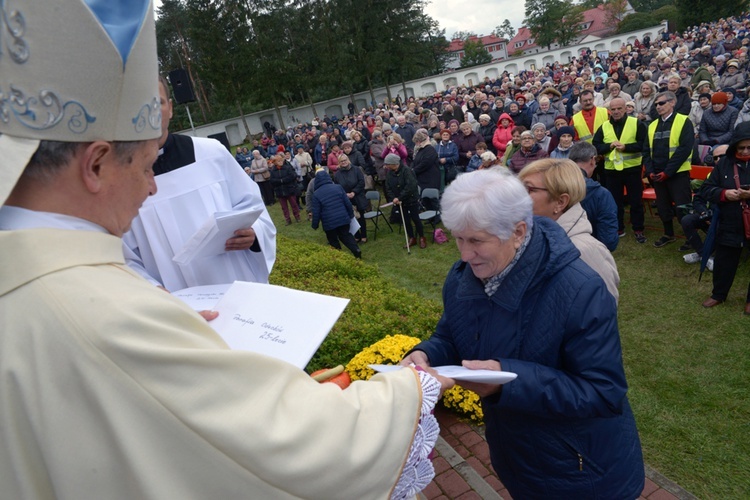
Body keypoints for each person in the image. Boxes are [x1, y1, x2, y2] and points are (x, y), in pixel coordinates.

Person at [0, 2, 453, 498]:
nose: (152, 188)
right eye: (147, 166)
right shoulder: (107, 314)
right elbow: (285, 443)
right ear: (97, 165)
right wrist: (411, 389)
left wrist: (255, 231)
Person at [400, 169, 644, 498]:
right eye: (459, 238)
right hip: (519, 459)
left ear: (517, 232)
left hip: (584, 472)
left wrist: (507, 380)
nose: (463, 254)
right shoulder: (464, 276)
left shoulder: (579, 289)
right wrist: (427, 353)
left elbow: (603, 392)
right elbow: (452, 334)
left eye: (476, 241)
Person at [124, 77, 277, 290]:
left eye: (156, 103)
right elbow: (123, 255)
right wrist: (152, 290)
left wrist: (254, 234)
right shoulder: (118, 177)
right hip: (175, 304)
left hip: (237, 285)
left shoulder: (211, 153)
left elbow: (254, 208)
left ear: (170, 108)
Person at [519, 159, 620, 301]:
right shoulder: (529, 236)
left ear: (560, 202)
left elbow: (602, 312)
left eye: (530, 189)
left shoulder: (585, 251)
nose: (518, 196)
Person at [698, 124, 750, 314]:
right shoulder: (724, 164)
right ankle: (718, 294)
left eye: (749, 147)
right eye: (741, 147)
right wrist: (725, 194)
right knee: (724, 260)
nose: (745, 151)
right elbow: (706, 189)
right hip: (730, 221)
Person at [643, 90, 695, 248]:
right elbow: (646, 150)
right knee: (663, 206)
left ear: (672, 103)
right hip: (658, 175)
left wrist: (668, 172)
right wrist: (650, 171)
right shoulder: (652, 125)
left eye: (662, 103)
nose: (658, 107)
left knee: (683, 207)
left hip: (677, 174)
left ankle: (691, 238)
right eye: (656, 104)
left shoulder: (684, 121)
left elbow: (684, 150)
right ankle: (668, 234)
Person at [593, 97, 648, 243]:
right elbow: (596, 146)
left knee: (635, 201)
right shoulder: (604, 126)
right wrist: (609, 146)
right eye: (613, 109)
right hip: (611, 171)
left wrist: (627, 148)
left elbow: (644, 144)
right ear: (609, 111)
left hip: (632, 169)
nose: (616, 112)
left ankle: (638, 229)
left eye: (619, 109)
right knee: (615, 202)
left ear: (625, 109)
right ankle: (618, 228)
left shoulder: (636, 123)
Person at [569, 142, 619, 252]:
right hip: (590, 254)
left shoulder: (551, 185)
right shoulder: (601, 194)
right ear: (592, 160)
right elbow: (608, 240)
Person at [311, 170, 362, 258]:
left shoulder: (316, 194)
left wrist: (315, 225)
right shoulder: (338, 187)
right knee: (346, 235)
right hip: (343, 218)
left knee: (333, 240)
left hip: (329, 222)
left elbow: (316, 212)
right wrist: (350, 215)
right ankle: (356, 250)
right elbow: (347, 203)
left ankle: (338, 257)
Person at [384, 153, 427, 248]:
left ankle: (422, 237)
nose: (386, 166)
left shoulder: (407, 171)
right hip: (399, 202)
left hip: (411, 199)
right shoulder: (389, 173)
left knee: (415, 219)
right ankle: (412, 238)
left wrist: (399, 197)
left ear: (394, 163)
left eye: (387, 164)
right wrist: (394, 199)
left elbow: (410, 186)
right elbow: (388, 187)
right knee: (406, 221)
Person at [334, 153, 368, 243]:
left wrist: (354, 192)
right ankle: (357, 235)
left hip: (358, 196)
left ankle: (364, 235)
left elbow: (361, 182)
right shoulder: (337, 174)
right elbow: (337, 186)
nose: (344, 162)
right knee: (351, 218)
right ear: (339, 163)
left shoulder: (356, 169)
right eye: (341, 161)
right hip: (346, 198)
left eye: (345, 160)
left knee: (360, 217)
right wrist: (345, 194)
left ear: (348, 160)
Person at [269, 153, 302, 225]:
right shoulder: (273, 171)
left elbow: (292, 176)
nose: (281, 162)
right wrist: (280, 181)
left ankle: (297, 217)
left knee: (294, 204)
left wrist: (282, 180)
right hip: (280, 191)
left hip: (289, 189)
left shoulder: (287, 167)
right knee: (284, 207)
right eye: (278, 161)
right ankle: (287, 219)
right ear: (275, 162)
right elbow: (272, 181)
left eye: (281, 160)